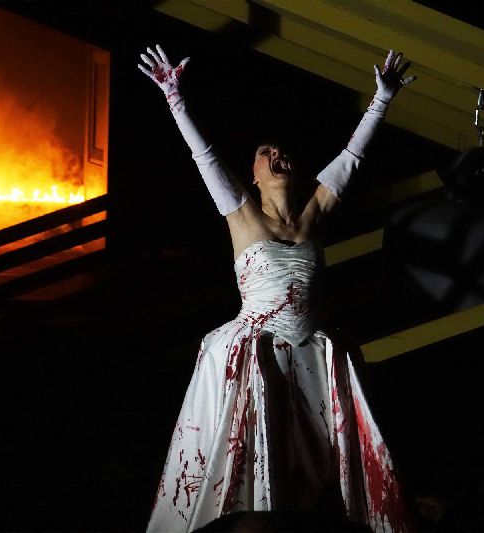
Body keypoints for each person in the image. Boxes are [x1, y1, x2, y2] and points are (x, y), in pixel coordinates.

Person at [139, 44, 416, 533]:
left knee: (315, 480)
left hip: (311, 354)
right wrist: (174, 98)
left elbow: (352, 158)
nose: (276, 155)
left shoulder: (314, 215)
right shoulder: (242, 215)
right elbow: (205, 157)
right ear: (252, 177)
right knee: (257, 477)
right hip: (257, 352)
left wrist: (382, 99)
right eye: (264, 154)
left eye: (281, 151)